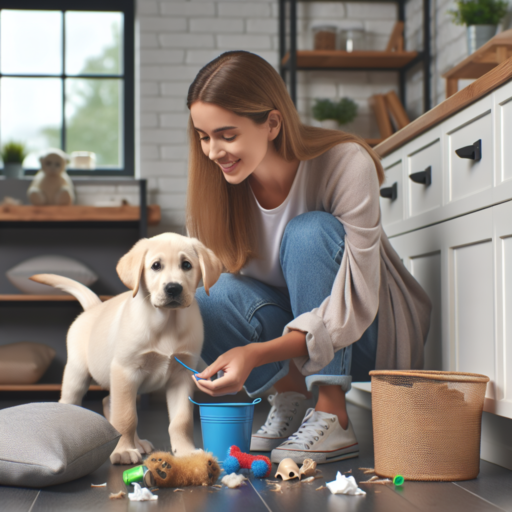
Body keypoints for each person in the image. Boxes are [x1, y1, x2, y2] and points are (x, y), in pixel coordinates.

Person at [185, 51, 431, 465]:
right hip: (294, 349)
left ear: (273, 123)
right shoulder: (215, 194)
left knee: (308, 232)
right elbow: (226, 301)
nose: (213, 152)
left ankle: (333, 410)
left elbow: (358, 297)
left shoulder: (344, 163)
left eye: (227, 135)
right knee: (207, 291)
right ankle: (292, 399)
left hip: (368, 330)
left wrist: (256, 354)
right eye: (204, 137)